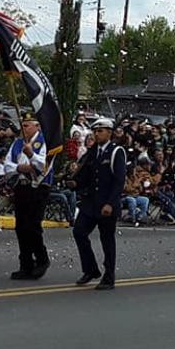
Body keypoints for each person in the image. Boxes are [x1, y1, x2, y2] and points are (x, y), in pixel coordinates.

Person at [71, 117, 126, 291]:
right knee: (79, 232)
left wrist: (110, 203)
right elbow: (86, 177)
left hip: (106, 204)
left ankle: (109, 276)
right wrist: (74, 183)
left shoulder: (116, 152)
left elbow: (119, 180)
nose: (96, 134)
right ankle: (90, 269)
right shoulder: (91, 152)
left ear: (109, 133)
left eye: (100, 131)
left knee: (107, 240)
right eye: (95, 131)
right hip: (90, 203)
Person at [3, 111, 53, 280]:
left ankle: (42, 259)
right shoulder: (17, 143)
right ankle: (25, 264)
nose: (24, 129)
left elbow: (43, 165)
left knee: (33, 226)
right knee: (21, 227)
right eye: (22, 126)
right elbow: (8, 166)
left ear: (37, 126)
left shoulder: (45, 142)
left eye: (27, 125)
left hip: (38, 187)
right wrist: (20, 168)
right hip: (22, 186)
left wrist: (31, 155)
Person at [122, 157, 151, 226]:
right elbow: (126, 189)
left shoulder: (135, 177)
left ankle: (140, 217)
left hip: (135, 196)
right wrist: (135, 185)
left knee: (145, 200)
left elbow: (140, 189)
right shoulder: (124, 177)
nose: (135, 170)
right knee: (132, 200)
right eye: (133, 169)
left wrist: (138, 185)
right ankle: (132, 218)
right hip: (125, 197)